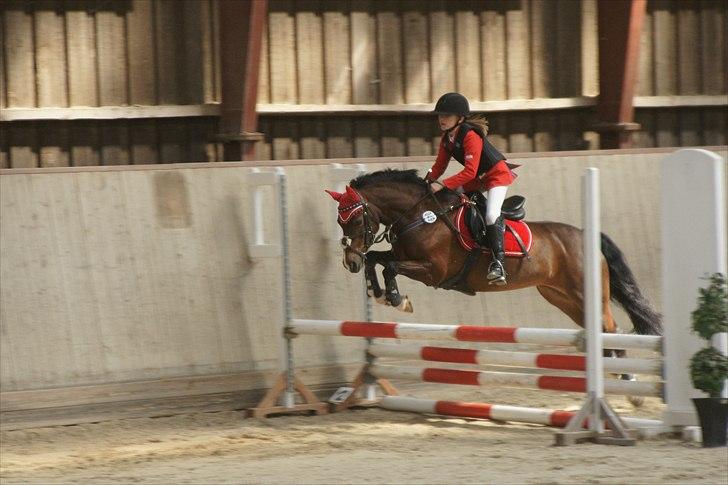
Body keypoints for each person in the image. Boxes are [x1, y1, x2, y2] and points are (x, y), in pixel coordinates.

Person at [425, 92, 516, 286]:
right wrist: (426, 182)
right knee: (450, 202)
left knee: (491, 214)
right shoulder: (447, 139)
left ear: (460, 118)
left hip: (496, 176)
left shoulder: (470, 135)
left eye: (446, 116)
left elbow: (469, 172)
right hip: (477, 180)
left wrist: (441, 184)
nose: (441, 119)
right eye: (440, 115)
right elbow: (439, 167)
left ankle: (498, 263)